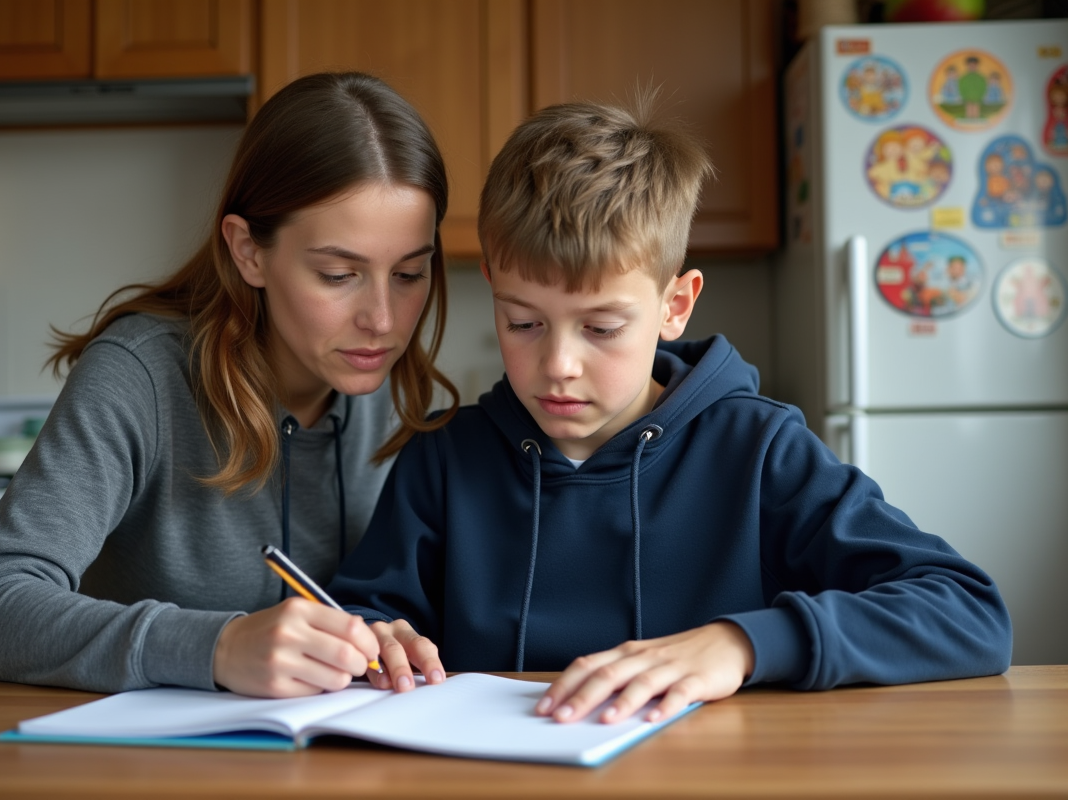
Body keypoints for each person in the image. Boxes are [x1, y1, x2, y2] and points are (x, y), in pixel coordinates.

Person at [327, 96, 1012, 724]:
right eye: (523, 323)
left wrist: (742, 643)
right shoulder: (445, 459)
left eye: (600, 328)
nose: (559, 363)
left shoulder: (760, 450)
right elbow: (368, 617)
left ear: (674, 306)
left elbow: (968, 612)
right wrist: (370, 638)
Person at [0, 72, 460, 698]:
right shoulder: (139, 377)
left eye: (409, 273)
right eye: (337, 273)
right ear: (249, 252)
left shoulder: (405, 402)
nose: (383, 320)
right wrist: (215, 646)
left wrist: (388, 636)